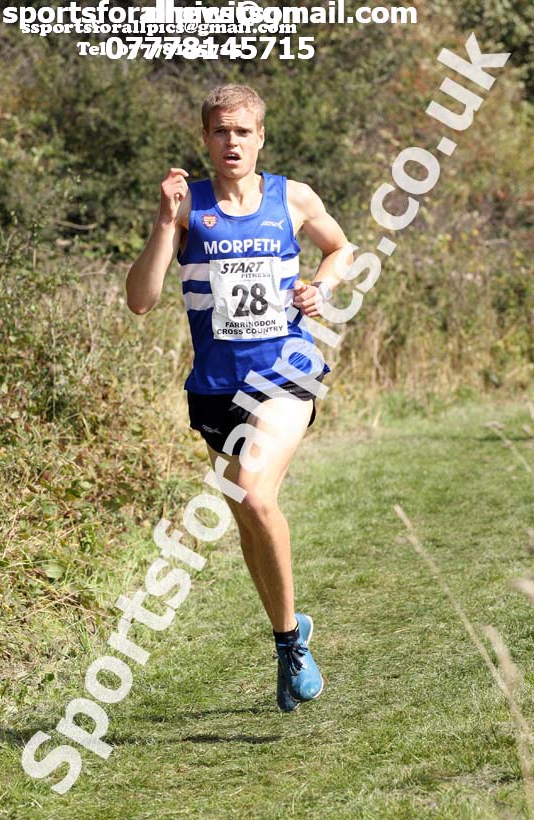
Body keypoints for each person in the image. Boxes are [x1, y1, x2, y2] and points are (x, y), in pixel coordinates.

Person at [126, 84, 350, 712]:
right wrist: (163, 225)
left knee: (254, 493)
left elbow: (341, 247)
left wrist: (322, 288)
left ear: (260, 138)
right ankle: (289, 632)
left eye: (243, 132)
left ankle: (287, 648)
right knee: (249, 518)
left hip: (285, 372)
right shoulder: (188, 206)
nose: (232, 142)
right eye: (220, 132)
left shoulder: (292, 197)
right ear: (206, 139)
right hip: (216, 389)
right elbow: (141, 299)